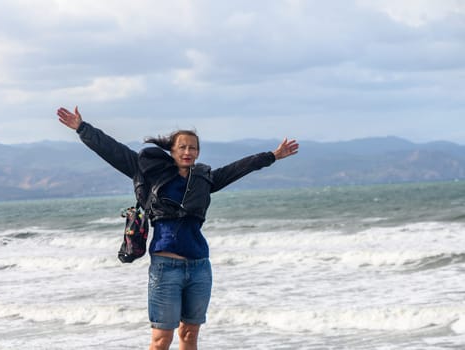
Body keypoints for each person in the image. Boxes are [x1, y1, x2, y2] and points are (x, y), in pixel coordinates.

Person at [57, 106, 299, 350]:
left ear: (198, 152)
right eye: (182, 147)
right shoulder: (149, 172)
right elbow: (113, 150)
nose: (187, 151)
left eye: (192, 147)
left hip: (199, 267)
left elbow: (239, 168)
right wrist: (82, 128)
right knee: (161, 340)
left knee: (190, 335)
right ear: (172, 150)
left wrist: (272, 156)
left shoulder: (205, 179)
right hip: (165, 268)